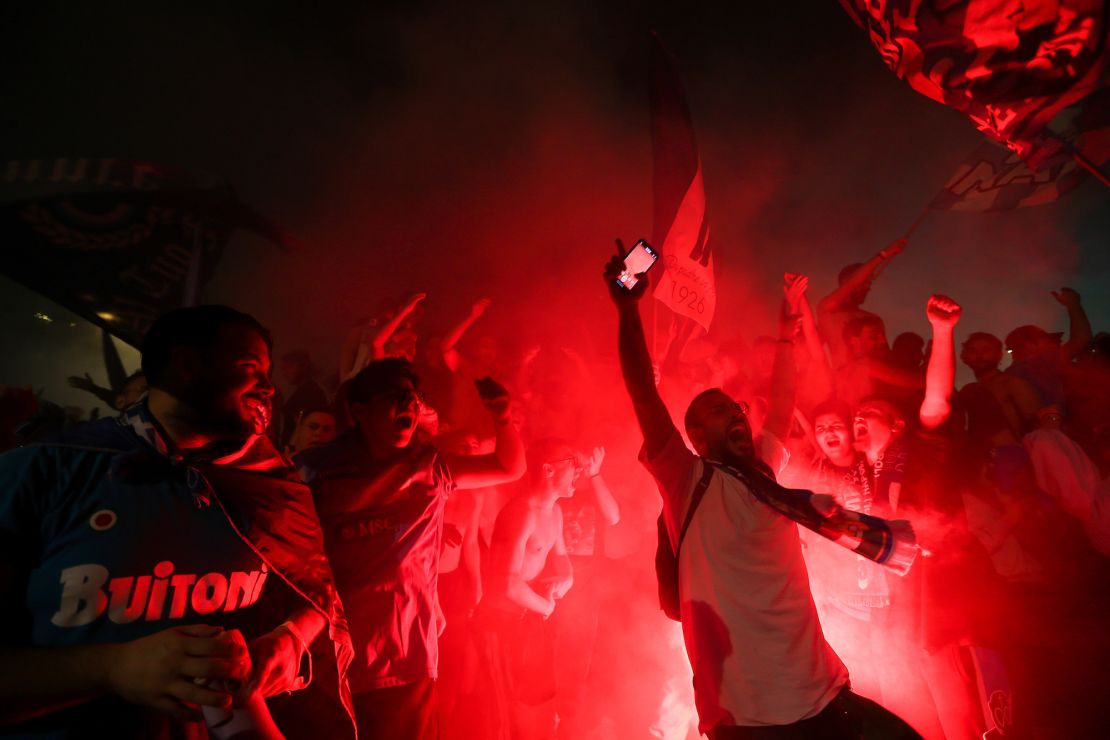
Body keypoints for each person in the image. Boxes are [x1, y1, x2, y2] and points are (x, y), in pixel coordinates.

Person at [603, 244, 917, 738]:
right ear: (697, 438)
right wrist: (627, 310)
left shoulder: (766, 474)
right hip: (749, 717)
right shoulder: (689, 481)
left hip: (823, 692)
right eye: (717, 411)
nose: (735, 413)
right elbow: (644, 393)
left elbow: (783, 398)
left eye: (735, 408)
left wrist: (786, 332)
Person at [0, 305, 355, 739]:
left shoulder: (271, 484)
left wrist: (293, 637)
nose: (269, 387)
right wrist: (113, 668)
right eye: (250, 368)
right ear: (186, 365)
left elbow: (316, 595)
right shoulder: (46, 471)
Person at [295, 358, 526, 740]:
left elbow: (508, 467)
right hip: (333, 658)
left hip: (407, 656)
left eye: (412, 397)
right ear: (360, 412)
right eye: (394, 397)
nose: (408, 405)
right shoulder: (315, 471)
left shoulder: (429, 466)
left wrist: (503, 418)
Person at [477, 438, 577, 740]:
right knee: (507, 716)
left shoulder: (554, 511)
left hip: (530, 617)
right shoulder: (521, 513)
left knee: (540, 703)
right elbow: (504, 583)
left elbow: (561, 557)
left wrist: (567, 578)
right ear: (548, 469)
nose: (578, 472)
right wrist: (546, 606)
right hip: (503, 625)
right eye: (572, 465)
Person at [817, 238, 906, 368]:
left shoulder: (874, 319)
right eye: (864, 282)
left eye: (869, 283)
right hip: (846, 383)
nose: (868, 287)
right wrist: (885, 253)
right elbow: (853, 283)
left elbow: (887, 357)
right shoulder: (828, 311)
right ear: (844, 283)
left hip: (877, 382)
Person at [1004, 286, 1092, 411]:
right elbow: (1081, 339)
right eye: (1045, 338)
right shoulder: (1041, 362)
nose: (1055, 343)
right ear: (1030, 345)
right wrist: (1073, 305)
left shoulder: (1008, 374)